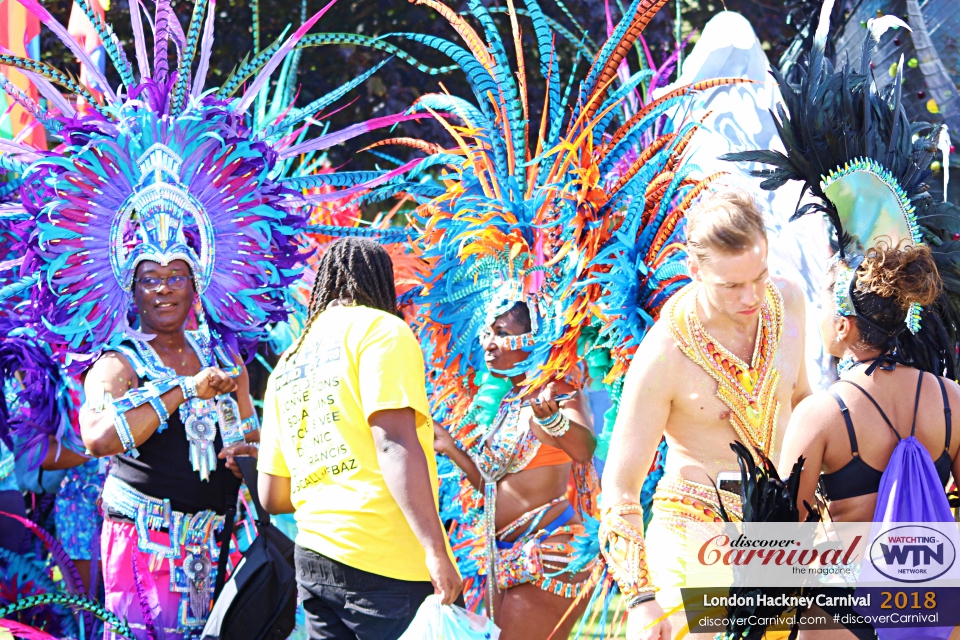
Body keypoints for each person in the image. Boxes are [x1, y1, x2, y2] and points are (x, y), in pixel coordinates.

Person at [600, 189, 811, 640]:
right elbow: (619, 487)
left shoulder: (789, 302)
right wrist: (639, 598)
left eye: (760, 275)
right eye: (731, 286)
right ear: (694, 271)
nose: (751, 296)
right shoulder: (663, 354)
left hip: (777, 530)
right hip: (693, 531)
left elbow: (803, 403)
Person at [257, 237, 462, 640]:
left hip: (315, 558)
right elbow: (393, 444)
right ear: (382, 283)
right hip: (384, 557)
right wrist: (436, 552)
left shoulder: (290, 360)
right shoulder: (384, 331)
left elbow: (273, 495)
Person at [80, 257, 260, 639]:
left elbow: (251, 440)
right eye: (149, 280)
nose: (163, 289)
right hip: (144, 546)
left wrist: (245, 458)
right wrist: (185, 388)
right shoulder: (116, 364)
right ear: (132, 291)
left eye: (176, 277)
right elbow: (96, 437)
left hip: (220, 543)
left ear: (197, 286)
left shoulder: (226, 358)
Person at [432, 285, 599, 640]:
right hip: (506, 556)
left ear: (532, 337)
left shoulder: (557, 387)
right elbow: (491, 485)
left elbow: (584, 449)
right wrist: (450, 447)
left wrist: (553, 418)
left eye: (503, 334)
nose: (489, 344)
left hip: (548, 552)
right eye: (487, 333)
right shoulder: (510, 402)